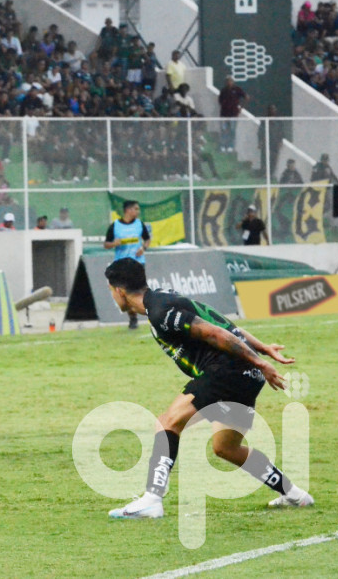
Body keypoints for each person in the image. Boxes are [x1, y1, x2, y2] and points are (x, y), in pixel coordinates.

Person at [103, 258, 313, 518]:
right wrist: (261, 351)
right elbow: (227, 325)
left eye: (111, 291)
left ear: (119, 291)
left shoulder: (160, 311)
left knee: (167, 423)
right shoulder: (162, 297)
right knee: (226, 448)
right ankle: (294, 495)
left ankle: (152, 499)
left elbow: (216, 333)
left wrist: (261, 360)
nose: (113, 297)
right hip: (247, 375)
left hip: (226, 371)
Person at [104, 200, 151, 329]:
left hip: (137, 265)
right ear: (128, 210)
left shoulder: (139, 224)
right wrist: (114, 244)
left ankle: (152, 315)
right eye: (136, 209)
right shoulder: (115, 226)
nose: (138, 212)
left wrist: (143, 248)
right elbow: (106, 244)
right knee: (126, 295)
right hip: (121, 266)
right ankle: (133, 318)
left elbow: (147, 239)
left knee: (141, 292)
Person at [218, 76, 248, 153]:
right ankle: (223, 146)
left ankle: (231, 146)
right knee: (224, 130)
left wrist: (241, 108)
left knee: (232, 130)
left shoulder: (237, 89)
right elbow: (220, 101)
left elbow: (246, 97)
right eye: (227, 81)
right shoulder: (223, 90)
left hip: (233, 114)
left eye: (230, 81)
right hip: (224, 114)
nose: (229, 82)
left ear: (233, 82)